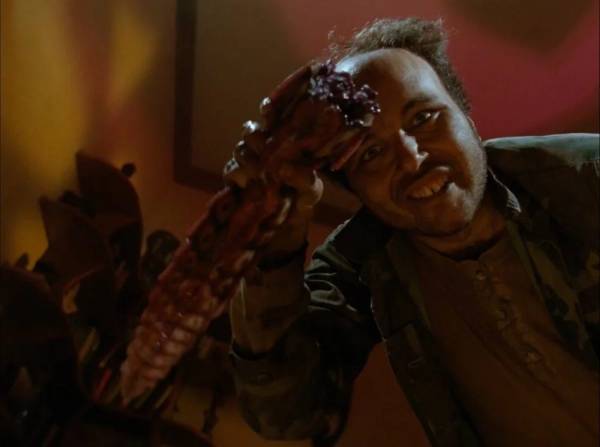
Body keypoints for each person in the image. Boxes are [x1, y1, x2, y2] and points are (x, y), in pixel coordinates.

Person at [225, 18, 600, 447]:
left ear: (467, 117)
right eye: (371, 152)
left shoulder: (588, 175)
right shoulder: (356, 262)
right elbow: (285, 414)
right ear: (353, 188)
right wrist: (273, 243)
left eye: (423, 117)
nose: (411, 158)